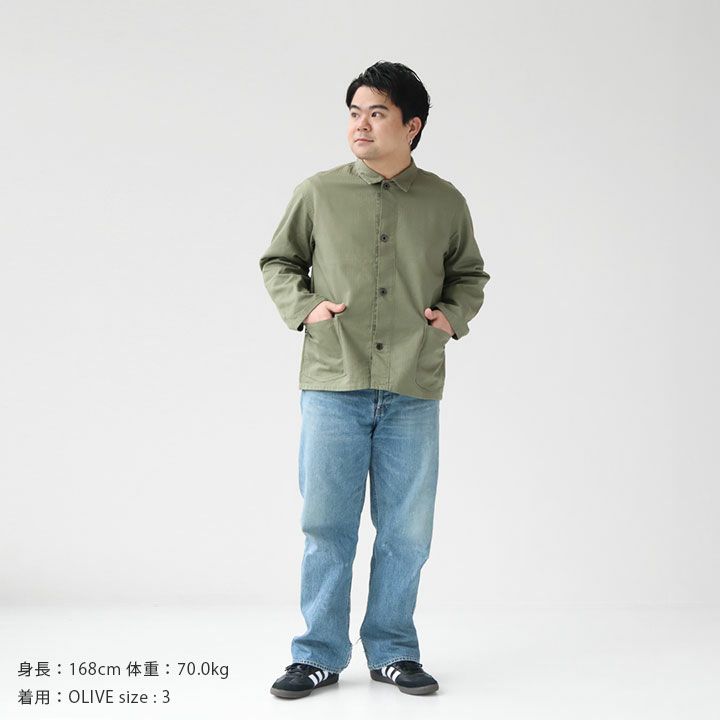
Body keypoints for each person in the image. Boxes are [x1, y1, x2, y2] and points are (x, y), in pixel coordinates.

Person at [259, 61, 490, 699]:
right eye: (355, 112)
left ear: (411, 126)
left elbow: (469, 275)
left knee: (407, 532)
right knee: (326, 525)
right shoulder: (318, 192)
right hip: (333, 380)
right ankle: (317, 655)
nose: (360, 125)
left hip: (413, 384)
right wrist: (307, 308)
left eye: (377, 113)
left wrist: (450, 318)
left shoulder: (444, 201)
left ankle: (393, 650)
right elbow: (280, 261)